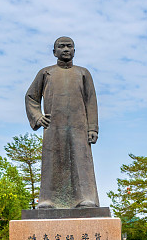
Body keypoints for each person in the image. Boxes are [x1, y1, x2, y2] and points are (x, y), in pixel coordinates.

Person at [25, 36, 100, 209]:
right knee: (52, 161)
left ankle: (86, 198)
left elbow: (91, 101)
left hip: (79, 126)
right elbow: (31, 97)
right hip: (53, 126)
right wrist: (37, 117)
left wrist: (92, 128)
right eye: (61, 46)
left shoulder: (83, 73)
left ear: (74, 50)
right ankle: (48, 200)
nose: (66, 49)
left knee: (81, 161)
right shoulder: (46, 73)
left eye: (69, 46)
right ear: (54, 52)